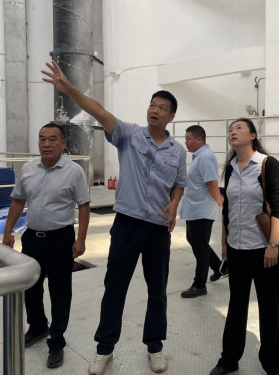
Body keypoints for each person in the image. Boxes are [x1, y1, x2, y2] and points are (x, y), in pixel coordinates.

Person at [41, 60, 187, 375]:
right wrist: (68, 88)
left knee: (157, 291)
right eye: (152, 105)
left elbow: (178, 185)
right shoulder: (129, 135)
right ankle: (104, 349)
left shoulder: (177, 151)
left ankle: (155, 347)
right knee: (114, 288)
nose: (155, 110)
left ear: (171, 116)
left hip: (158, 229)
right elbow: (99, 111)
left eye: (162, 108)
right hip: (127, 225)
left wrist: (174, 204)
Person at [2, 123, 91, 369]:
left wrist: (81, 239)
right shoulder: (28, 168)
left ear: (63, 144)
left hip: (61, 239)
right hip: (32, 238)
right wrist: (8, 230)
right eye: (42, 139)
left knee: (60, 292)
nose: (46, 144)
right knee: (30, 287)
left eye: (53, 139)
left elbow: (84, 205)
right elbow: (18, 200)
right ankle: (38, 327)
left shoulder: (74, 172)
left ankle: (57, 341)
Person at [210, 118, 279, 375]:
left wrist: (273, 245)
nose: (232, 132)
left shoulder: (268, 164)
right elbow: (228, 208)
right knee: (236, 307)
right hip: (236, 250)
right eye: (230, 129)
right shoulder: (231, 168)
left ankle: (272, 366)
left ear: (253, 135)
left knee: (269, 310)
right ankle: (229, 360)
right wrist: (225, 242)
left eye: (239, 128)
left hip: (264, 250)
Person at [179, 125, 225, 298]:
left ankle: (199, 285)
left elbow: (211, 183)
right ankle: (219, 268)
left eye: (188, 139)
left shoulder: (205, 157)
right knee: (194, 240)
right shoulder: (199, 156)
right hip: (195, 209)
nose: (186, 142)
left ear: (199, 139)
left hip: (202, 210)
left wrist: (219, 199)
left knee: (200, 246)